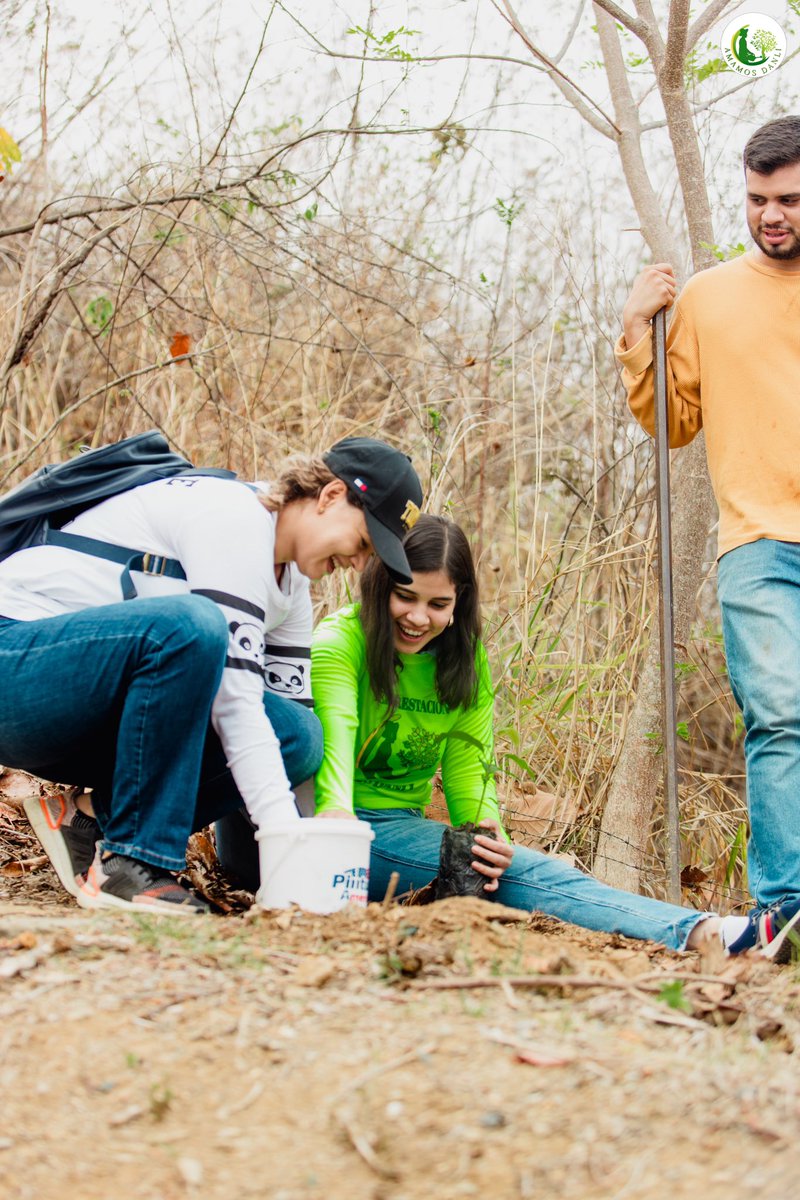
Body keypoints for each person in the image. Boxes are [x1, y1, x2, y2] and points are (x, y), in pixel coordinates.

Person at [303, 514, 799, 960]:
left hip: (403, 823)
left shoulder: (462, 662)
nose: (417, 618)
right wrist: (337, 831)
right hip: (341, 828)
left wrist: (486, 831)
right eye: (404, 596)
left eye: (438, 604)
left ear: (459, 605)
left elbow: (468, 767)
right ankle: (712, 934)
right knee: (534, 874)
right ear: (379, 585)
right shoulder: (340, 642)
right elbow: (335, 749)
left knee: (506, 866)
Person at [1, 434, 422, 915]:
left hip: (94, 715)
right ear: (330, 497)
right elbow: (235, 702)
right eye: (364, 542)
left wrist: (314, 854)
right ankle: (130, 863)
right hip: (18, 671)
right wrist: (283, 836)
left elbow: (288, 713)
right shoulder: (234, 517)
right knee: (192, 627)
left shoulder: (291, 586)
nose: (359, 563)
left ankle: (90, 820)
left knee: (299, 736)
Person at [616, 114, 800, 942]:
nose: (773, 215)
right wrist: (635, 329)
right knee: (782, 714)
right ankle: (785, 912)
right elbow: (670, 422)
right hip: (758, 541)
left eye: (791, 199)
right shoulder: (711, 297)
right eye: (760, 199)